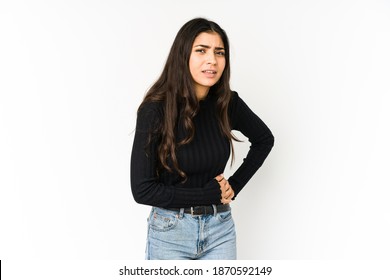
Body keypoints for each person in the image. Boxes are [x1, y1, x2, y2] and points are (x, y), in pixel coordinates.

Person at [130, 17, 274, 260]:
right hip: (170, 232)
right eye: (201, 51)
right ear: (183, 55)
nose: (212, 60)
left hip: (221, 229)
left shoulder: (228, 104)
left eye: (219, 52)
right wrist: (207, 195)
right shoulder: (155, 110)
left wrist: (233, 187)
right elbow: (142, 190)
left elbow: (264, 139)